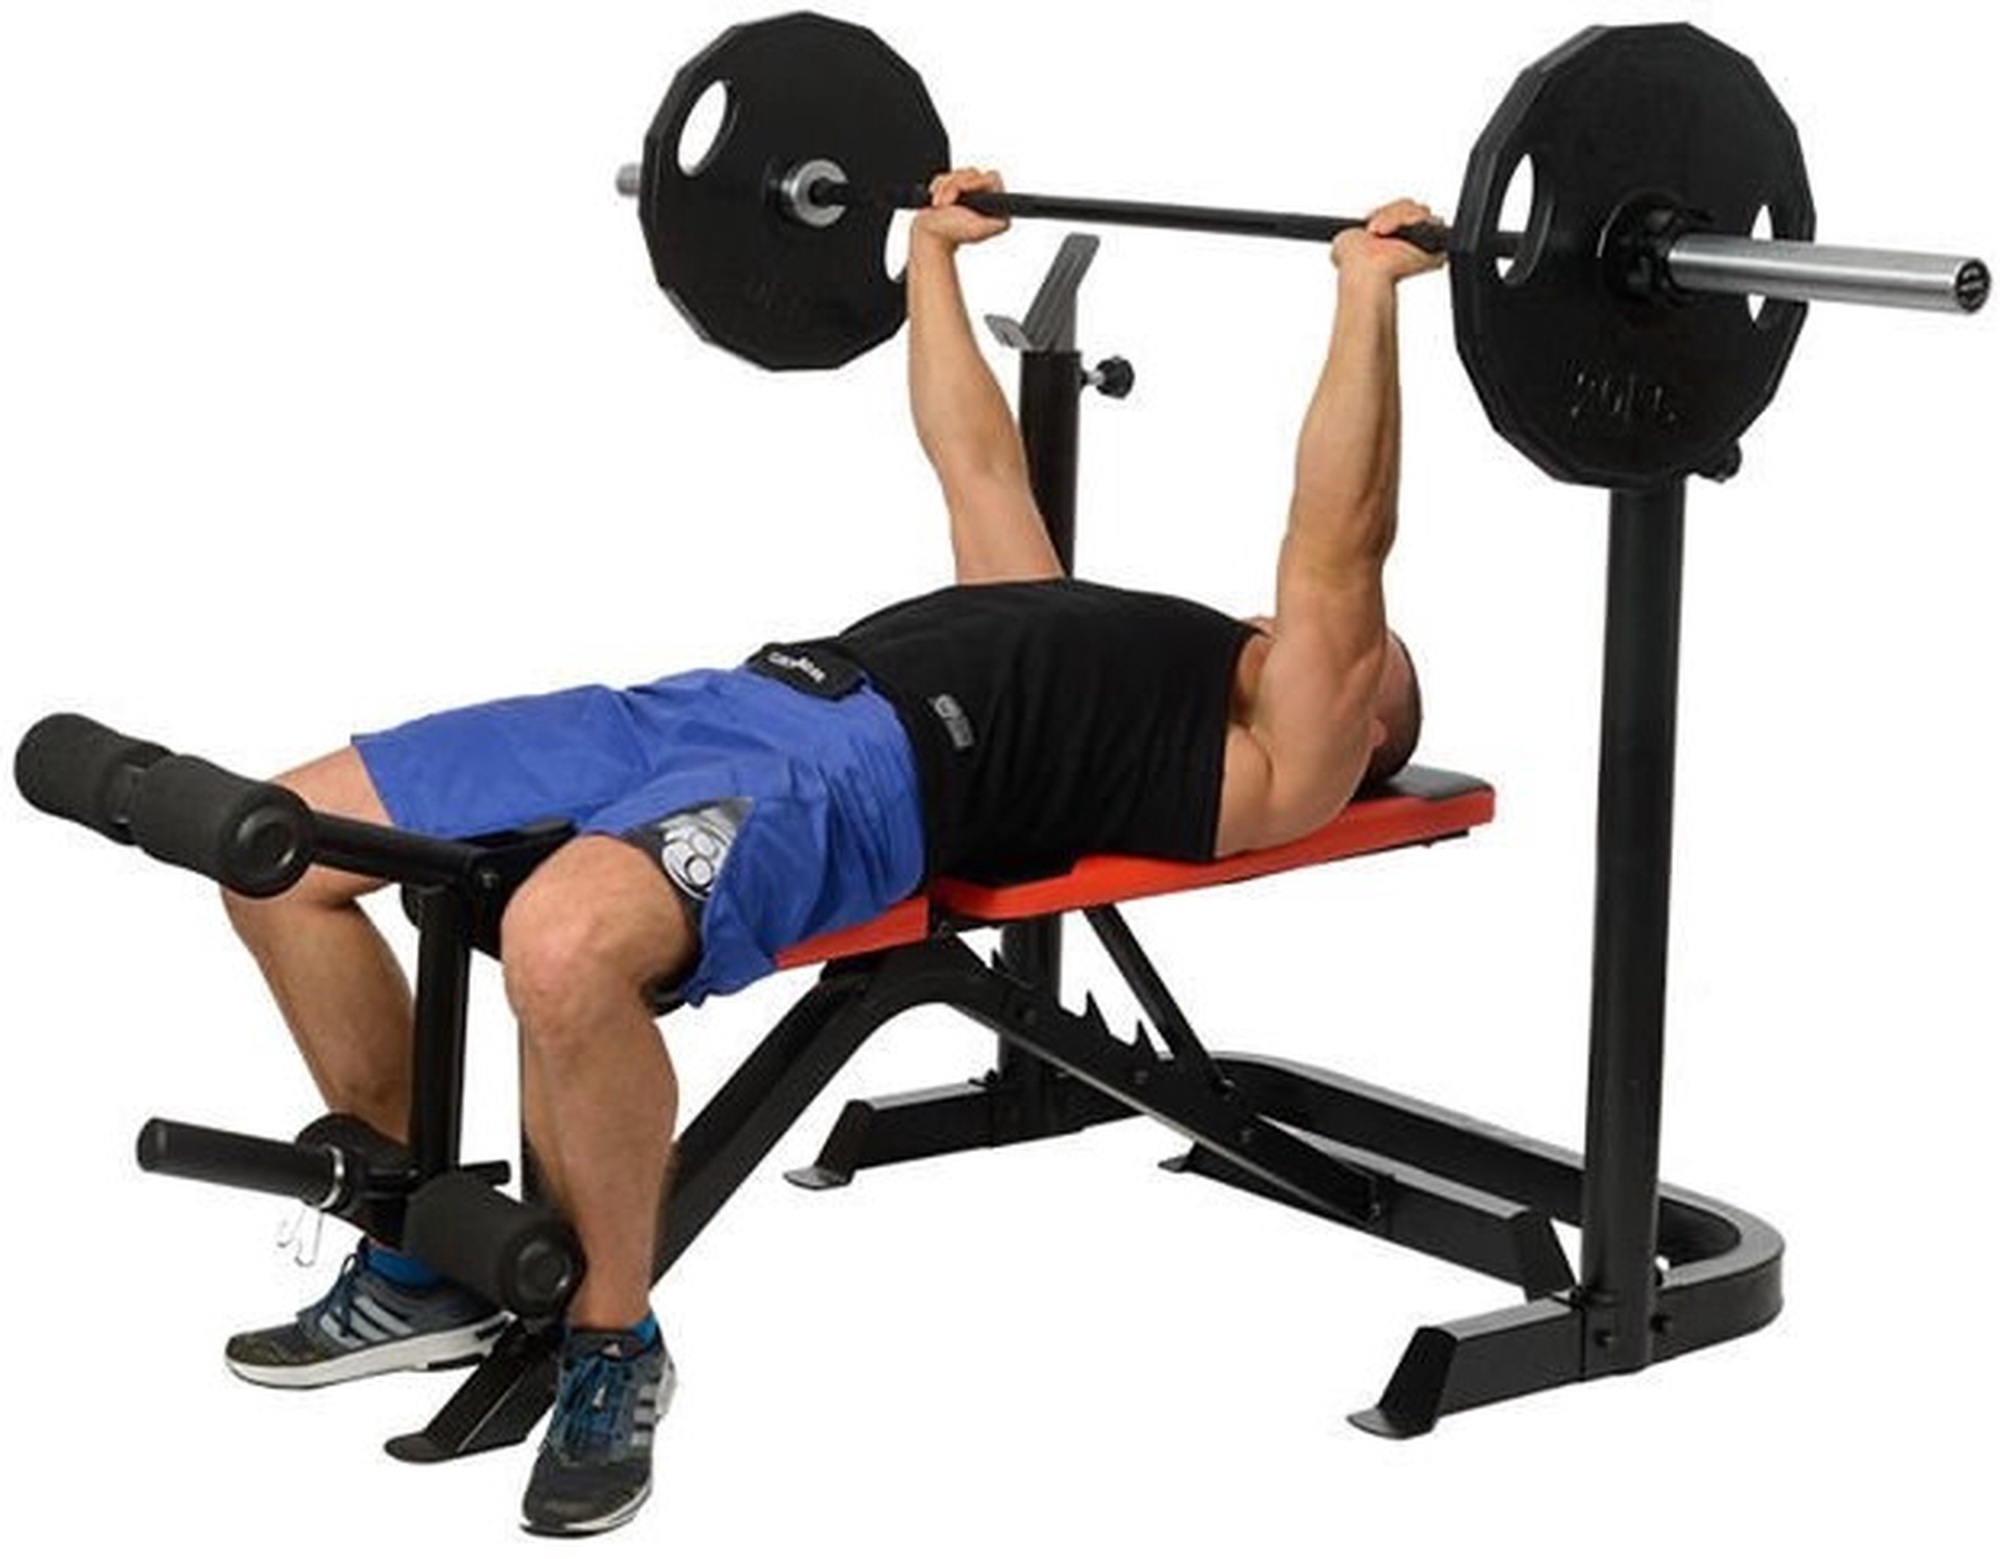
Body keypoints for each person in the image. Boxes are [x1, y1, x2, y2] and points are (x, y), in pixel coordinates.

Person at [216, 170, 1441, 1537]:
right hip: (721, 701)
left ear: (1365, 729)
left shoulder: (1288, 760)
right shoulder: (1081, 622)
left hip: (859, 785)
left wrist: (1365, 297)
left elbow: (1341, 545)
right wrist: (934, 258)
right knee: (279, 845)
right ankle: (422, 1259)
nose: (1322, 638)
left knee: (561, 949)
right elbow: (976, 461)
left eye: (1367, 662)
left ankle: (612, 1342)